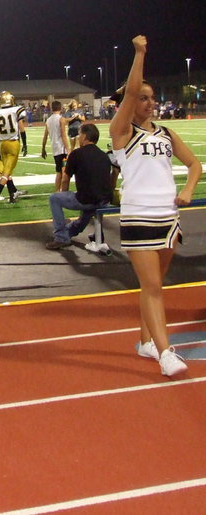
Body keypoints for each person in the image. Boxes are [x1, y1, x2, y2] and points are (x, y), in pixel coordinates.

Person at [110, 35, 201, 377]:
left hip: (169, 218)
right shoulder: (122, 132)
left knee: (155, 286)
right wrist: (139, 53)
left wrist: (188, 190)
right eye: (143, 98)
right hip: (139, 217)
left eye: (151, 99)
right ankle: (165, 354)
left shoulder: (164, 133)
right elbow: (130, 92)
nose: (149, 103)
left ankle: (147, 340)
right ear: (130, 104)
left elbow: (195, 165)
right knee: (152, 287)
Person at [45, 123, 112, 250]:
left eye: (80, 134)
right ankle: (73, 233)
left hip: (87, 199)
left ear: (85, 136)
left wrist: (63, 194)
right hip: (103, 200)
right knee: (85, 214)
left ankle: (61, 237)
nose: (78, 137)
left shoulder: (76, 154)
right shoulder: (104, 156)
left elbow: (65, 179)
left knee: (54, 198)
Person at [0, 91, 26, 204]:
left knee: (7, 170)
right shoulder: (17, 110)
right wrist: (25, 143)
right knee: (6, 172)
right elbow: (21, 128)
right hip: (13, 143)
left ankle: (12, 194)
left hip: (2, 143)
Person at [41, 100, 70, 192]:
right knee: (64, 171)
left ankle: (57, 190)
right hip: (62, 149)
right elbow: (63, 135)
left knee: (58, 171)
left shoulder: (48, 120)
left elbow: (45, 135)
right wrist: (68, 149)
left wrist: (43, 148)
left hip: (55, 149)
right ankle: (63, 190)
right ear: (60, 108)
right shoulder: (61, 119)